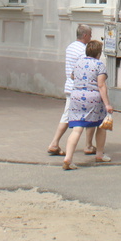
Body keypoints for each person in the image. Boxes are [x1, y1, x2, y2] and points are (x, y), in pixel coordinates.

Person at [62, 40, 113, 169]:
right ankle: (100, 155)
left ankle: (68, 158)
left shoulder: (79, 62)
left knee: (77, 128)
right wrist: (107, 104)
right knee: (101, 126)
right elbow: (101, 85)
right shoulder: (99, 65)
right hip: (93, 98)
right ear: (98, 53)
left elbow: (73, 76)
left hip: (76, 97)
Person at [47, 23, 95, 156]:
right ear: (85, 35)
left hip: (70, 86)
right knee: (91, 115)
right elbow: (84, 69)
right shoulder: (83, 51)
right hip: (81, 88)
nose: (91, 37)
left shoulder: (70, 47)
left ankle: (55, 143)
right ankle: (88, 145)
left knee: (67, 116)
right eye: (90, 35)